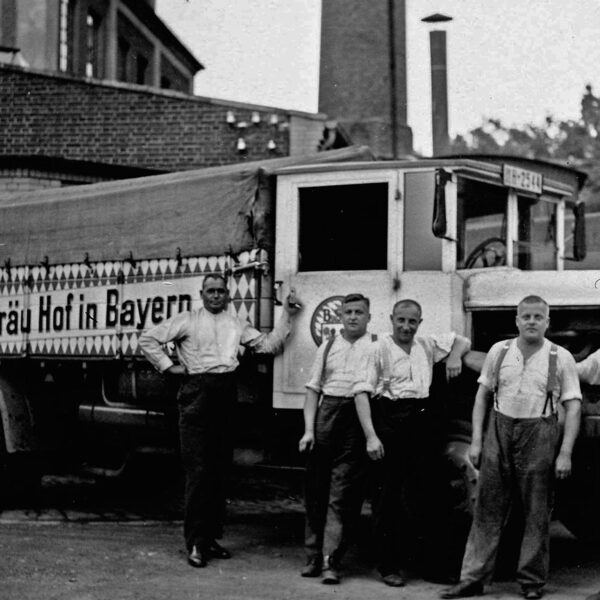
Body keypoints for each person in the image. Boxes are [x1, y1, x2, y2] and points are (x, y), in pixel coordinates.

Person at [139, 274, 301, 568]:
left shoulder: (236, 323)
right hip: (196, 393)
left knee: (219, 470)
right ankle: (195, 543)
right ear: (202, 294)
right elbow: (148, 339)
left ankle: (210, 539)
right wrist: (168, 367)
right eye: (210, 291)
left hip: (226, 393)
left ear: (228, 295)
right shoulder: (187, 320)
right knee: (198, 472)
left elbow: (267, 346)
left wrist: (287, 316)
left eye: (220, 291)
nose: (215, 296)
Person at [442, 295, 581, 600]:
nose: (532, 321)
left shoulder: (561, 356)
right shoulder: (499, 351)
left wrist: (565, 453)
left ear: (547, 322)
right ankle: (472, 578)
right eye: (526, 316)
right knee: (487, 509)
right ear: (517, 321)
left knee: (536, 513)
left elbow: (573, 407)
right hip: (499, 432)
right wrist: (476, 441)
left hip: (539, 435)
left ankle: (531, 582)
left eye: (538, 317)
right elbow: (482, 397)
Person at [353, 298, 471, 587]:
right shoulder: (376, 348)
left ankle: (434, 566)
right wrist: (371, 436)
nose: (406, 326)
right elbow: (361, 393)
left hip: (421, 421)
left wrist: (455, 356)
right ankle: (389, 567)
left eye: (412, 321)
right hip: (389, 420)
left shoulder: (426, 344)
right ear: (392, 319)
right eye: (401, 320)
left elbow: (462, 340)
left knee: (431, 495)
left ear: (420, 323)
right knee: (388, 499)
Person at [298, 293, 375, 585]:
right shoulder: (328, 345)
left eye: (359, 312)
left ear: (369, 317)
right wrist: (309, 430)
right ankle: (312, 556)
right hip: (327, 415)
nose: (353, 317)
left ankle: (331, 560)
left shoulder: (377, 344)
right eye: (348, 312)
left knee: (341, 493)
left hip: (358, 416)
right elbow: (312, 390)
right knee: (316, 490)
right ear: (341, 316)